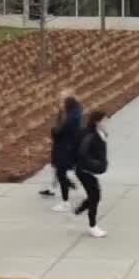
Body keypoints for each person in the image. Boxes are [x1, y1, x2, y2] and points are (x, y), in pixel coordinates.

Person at [73, 110, 109, 238]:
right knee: (95, 197)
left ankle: (81, 207)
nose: (107, 122)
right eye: (104, 120)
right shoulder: (90, 135)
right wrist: (95, 166)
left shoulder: (100, 133)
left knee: (95, 196)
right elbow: (82, 154)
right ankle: (92, 226)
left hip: (90, 171)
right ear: (97, 122)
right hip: (85, 171)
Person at [48, 91, 83, 212]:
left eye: (62, 101)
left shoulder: (69, 118)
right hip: (69, 148)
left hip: (64, 149)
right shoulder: (75, 112)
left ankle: (65, 202)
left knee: (61, 174)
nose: (60, 103)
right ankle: (71, 186)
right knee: (62, 173)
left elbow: (57, 132)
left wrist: (53, 130)